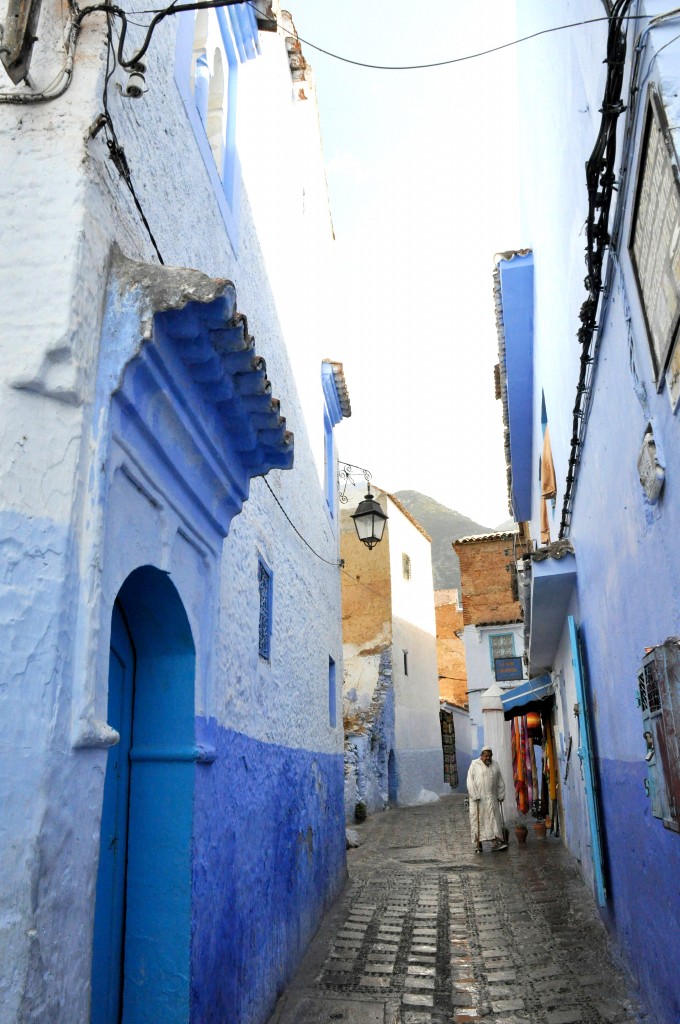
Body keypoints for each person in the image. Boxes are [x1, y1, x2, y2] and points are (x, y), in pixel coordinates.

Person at [467, 746, 508, 853]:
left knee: (493, 820)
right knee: (478, 821)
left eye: (490, 756)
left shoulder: (495, 765)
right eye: (486, 756)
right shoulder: (474, 765)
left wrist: (501, 795)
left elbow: (500, 781)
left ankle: (495, 844)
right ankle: (478, 844)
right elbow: (470, 781)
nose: (488, 758)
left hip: (492, 799)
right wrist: (475, 795)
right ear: (481, 756)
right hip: (478, 800)